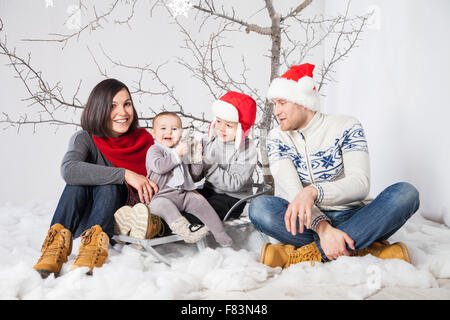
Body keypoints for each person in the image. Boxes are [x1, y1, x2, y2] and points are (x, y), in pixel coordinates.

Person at [249, 63, 420, 268]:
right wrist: (323, 229)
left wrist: (314, 191)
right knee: (259, 208)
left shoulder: (347, 126)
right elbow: (294, 192)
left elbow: (360, 183)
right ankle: (364, 247)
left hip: (353, 214)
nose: (276, 111)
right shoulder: (277, 137)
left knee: (406, 193)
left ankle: (307, 254)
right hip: (306, 221)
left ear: (303, 102)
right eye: (274, 104)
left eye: (282, 103)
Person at [33, 79, 158, 277]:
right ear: (99, 108)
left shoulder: (145, 139)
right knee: (79, 181)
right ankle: (54, 247)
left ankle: (93, 251)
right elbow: (69, 170)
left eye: (127, 104)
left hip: (126, 216)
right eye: (112, 106)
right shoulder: (85, 138)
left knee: (109, 185)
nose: (123, 113)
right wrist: (125, 173)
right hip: (87, 217)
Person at [116, 111, 233, 246]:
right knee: (164, 207)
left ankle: (220, 233)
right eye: (163, 128)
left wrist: (196, 157)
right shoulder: (154, 150)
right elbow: (159, 166)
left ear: (181, 134)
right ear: (153, 133)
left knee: (201, 202)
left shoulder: (182, 150)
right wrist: (177, 154)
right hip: (160, 196)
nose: (169, 132)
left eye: (174, 129)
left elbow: (194, 175)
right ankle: (186, 230)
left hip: (183, 194)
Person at [184, 91, 258, 224]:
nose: (221, 128)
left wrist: (207, 165)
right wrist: (192, 160)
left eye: (229, 125)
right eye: (218, 121)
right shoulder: (210, 141)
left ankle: (161, 226)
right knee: (181, 200)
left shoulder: (247, 150)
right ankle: (154, 218)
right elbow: (197, 176)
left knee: (199, 214)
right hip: (209, 190)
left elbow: (235, 184)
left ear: (241, 128)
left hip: (232, 199)